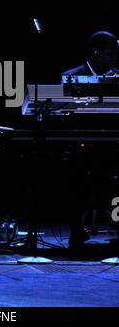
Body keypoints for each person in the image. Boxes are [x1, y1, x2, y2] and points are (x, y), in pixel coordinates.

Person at [61, 30, 119, 250]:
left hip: (111, 144)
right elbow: (66, 112)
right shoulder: (72, 75)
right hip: (80, 145)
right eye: (110, 53)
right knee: (77, 178)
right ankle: (77, 229)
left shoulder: (117, 76)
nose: (114, 58)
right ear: (96, 52)